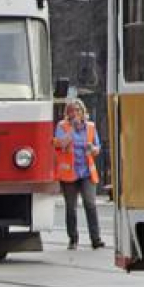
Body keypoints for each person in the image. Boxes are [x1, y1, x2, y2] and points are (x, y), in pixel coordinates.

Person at [53, 98, 105, 250]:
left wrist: (93, 149)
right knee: (71, 207)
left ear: (83, 112)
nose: (75, 113)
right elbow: (60, 143)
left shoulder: (90, 127)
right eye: (71, 111)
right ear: (67, 113)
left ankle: (96, 239)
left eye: (78, 110)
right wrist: (72, 130)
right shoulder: (62, 126)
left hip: (86, 172)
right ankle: (73, 238)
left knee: (90, 204)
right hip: (69, 173)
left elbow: (97, 147)